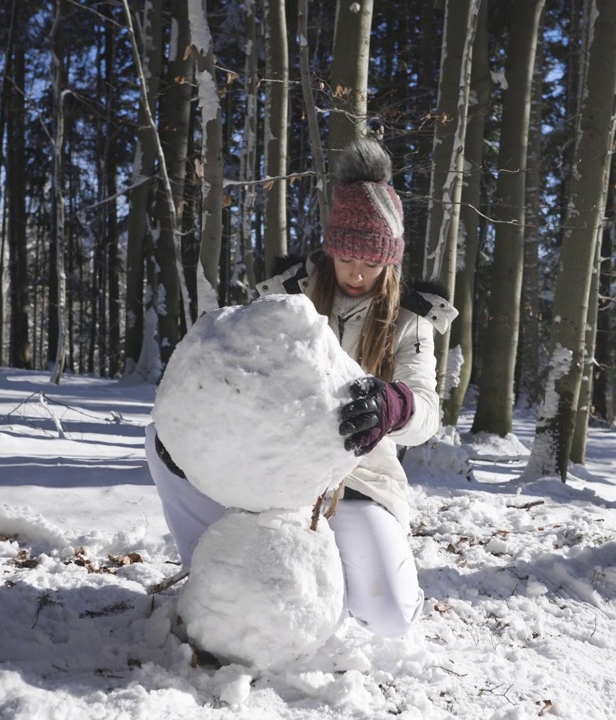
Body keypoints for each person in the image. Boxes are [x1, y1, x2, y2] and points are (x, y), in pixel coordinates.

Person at [145, 137, 455, 638]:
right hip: (274, 470)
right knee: (163, 443)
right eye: (347, 256)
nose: (357, 271)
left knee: (388, 618)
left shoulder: (408, 321)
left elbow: (426, 412)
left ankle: (342, 586)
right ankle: (213, 568)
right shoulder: (288, 297)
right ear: (331, 248)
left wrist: (392, 407)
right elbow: (240, 369)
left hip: (357, 483)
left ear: (390, 260)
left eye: (372, 261)